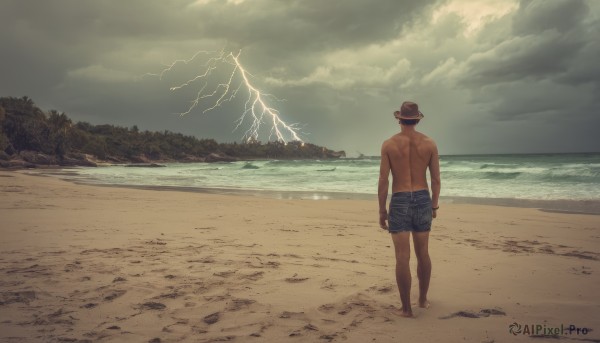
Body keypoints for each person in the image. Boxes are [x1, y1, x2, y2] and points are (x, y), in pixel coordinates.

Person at [378, 101, 441, 318]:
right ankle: (422, 300)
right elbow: (435, 179)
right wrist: (434, 205)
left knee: (402, 257)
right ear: (417, 119)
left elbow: (383, 181)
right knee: (423, 253)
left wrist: (381, 211)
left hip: (400, 199)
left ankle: (406, 309)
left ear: (399, 119)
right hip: (423, 197)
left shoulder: (388, 145)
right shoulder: (430, 144)